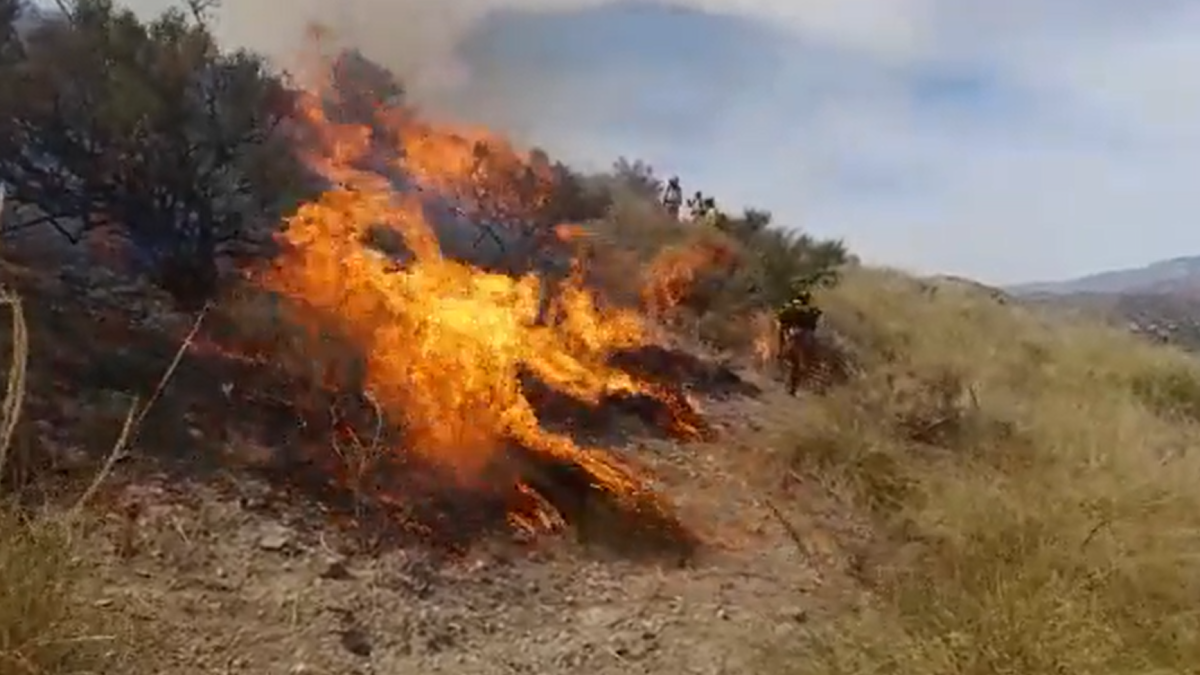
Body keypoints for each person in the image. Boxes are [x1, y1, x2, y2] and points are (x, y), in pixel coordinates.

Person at [776, 288, 822, 396]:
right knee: (800, 363)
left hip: (793, 333)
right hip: (806, 336)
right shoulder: (811, 310)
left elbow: (782, 321)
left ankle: (780, 355)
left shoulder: (791, 307)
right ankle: (793, 387)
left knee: (793, 361)